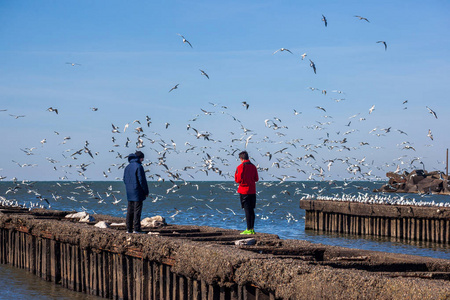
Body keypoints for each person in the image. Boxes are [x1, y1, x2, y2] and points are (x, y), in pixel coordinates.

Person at [123, 151, 149, 233]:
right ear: (139, 158)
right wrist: (146, 191)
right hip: (137, 192)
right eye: (142, 158)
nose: (142, 160)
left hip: (129, 191)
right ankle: (136, 229)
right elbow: (142, 180)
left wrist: (129, 187)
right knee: (137, 211)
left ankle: (129, 229)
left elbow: (124, 179)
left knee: (129, 211)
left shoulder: (127, 167)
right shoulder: (139, 166)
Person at [234, 151, 259, 234]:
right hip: (252, 190)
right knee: (252, 210)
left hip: (244, 191)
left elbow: (238, 180)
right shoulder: (253, 166)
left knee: (247, 210)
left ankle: (248, 229)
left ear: (241, 158)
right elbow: (256, 179)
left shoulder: (240, 167)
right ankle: (252, 228)